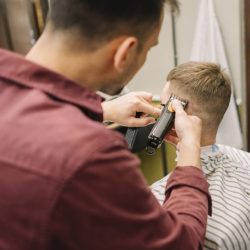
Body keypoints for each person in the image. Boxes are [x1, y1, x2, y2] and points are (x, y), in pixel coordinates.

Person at [0, 1, 211, 249]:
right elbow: (180, 245)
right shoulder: (91, 155)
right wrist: (189, 150)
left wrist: (103, 110)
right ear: (125, 53)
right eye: (149, 50)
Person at [151, 61, 250, 250]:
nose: (158, 114)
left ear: (176, 115)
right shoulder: (246, 160)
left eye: (163, 108)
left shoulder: (156, 201)